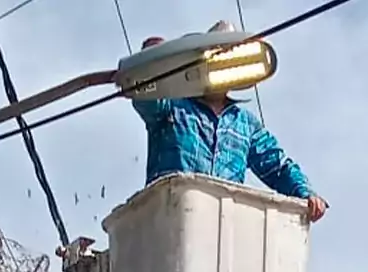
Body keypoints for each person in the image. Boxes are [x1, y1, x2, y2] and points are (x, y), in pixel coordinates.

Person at [131, 22, 328, 223]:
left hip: (221, 231)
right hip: (168, 222)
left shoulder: (245, 125)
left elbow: (276, 165)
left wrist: (304, 192)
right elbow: (145, 97)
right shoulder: (171, 106)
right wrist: (153, 60)